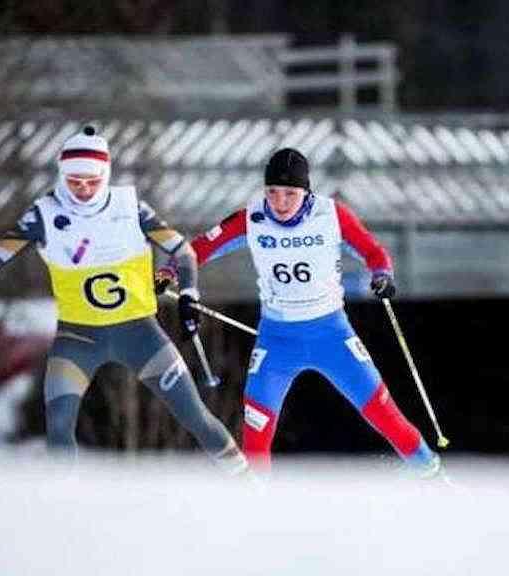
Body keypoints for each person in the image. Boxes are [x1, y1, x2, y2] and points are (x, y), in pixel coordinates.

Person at [0, 125, 249, 475]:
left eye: (92, 182)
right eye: (74, 182)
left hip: (140, 335)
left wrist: (189, 294)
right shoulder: (44, 215)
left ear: (106, 174)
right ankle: (68, 500)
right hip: (78, 339)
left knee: (195, 416)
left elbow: (183, 251)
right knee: (58, 427)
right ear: (62, 176)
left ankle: (249, 485)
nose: (83, 190)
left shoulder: (130, 207)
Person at [187, 147, 443, 477]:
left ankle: (434, 476)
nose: (279, 203)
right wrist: (167, 274)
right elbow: (195, 251)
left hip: (332, 335)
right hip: (277, 342)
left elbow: (372, 251)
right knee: (256, 430)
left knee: (385, 415)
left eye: (289, 194)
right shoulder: (251, 218)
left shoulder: (332, 214)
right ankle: (255, 499)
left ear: (306, 192)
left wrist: (382, 275)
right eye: (272, 192)